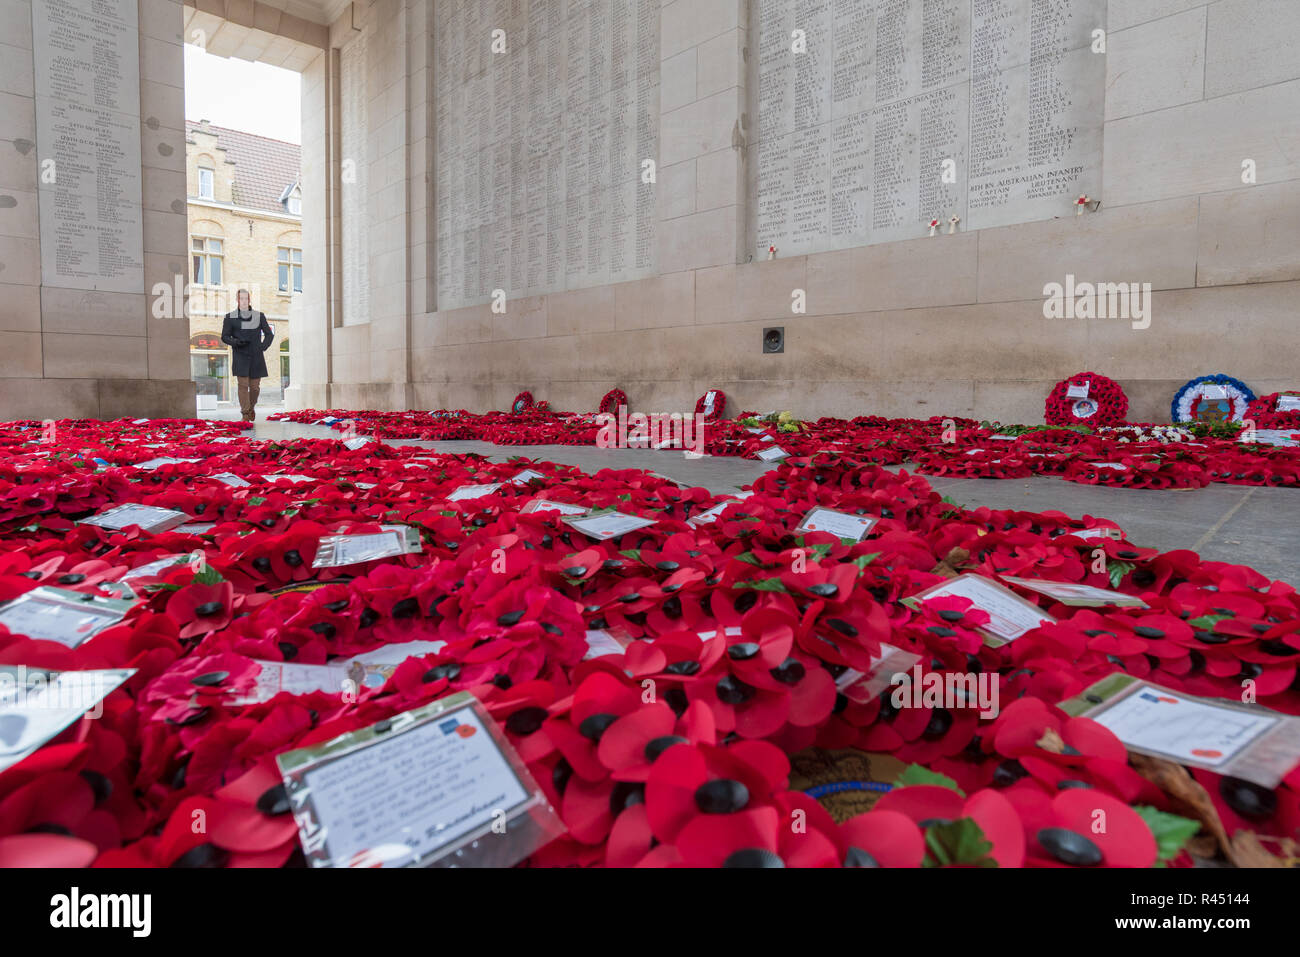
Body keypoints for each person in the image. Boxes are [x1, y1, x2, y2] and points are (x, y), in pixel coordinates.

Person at [220, 289, 275, 422]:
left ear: (249, 300)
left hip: (256, 357)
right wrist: (236, 342)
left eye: (246, 298)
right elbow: (224, 337)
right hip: (240, 356)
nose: (244, 301)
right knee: (243, 386)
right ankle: (245, 413)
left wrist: (262, 347)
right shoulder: (230, 317)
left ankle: (251, 408)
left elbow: (269, 334)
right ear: (237, 300)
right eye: (241, 298)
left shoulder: (259, 316)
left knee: (255, 388)